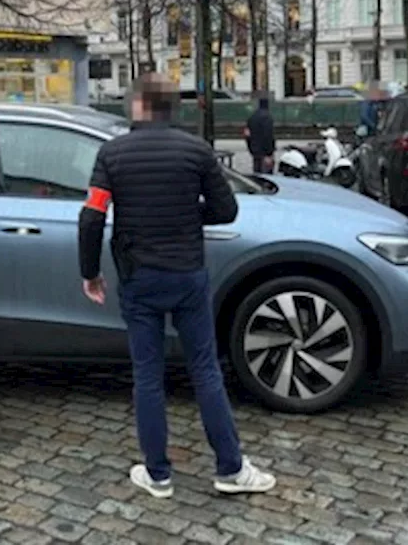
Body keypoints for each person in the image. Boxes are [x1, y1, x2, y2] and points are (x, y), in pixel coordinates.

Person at [78, 74, 276, 499]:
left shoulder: (111, 154)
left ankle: (158, 475)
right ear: (171, 107)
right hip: (187, 275)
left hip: (138, 277)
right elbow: (226, 210)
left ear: (136, 106)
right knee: (205, 370)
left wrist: (90, 272)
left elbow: (92, 214)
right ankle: (230, 469)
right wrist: (188, 216)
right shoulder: (196, 151)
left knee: (147, 375)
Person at [244, 94, 276, 174]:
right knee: (267, 176)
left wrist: (251, 148)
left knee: (257, 174)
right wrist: (269, 152)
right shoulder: (268, 117)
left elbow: (247, 134)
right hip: (264, 152)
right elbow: (268, 136)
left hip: (255, 151)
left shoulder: (252, 117)